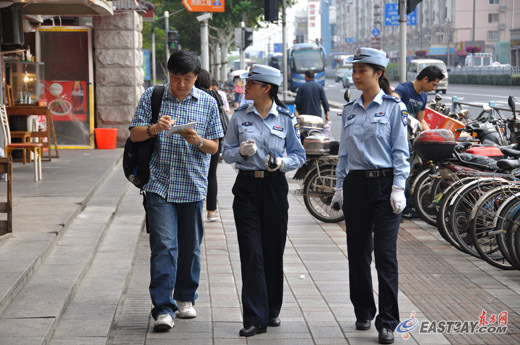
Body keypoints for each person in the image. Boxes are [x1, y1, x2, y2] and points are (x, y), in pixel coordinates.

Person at [129, 50, 224, 332]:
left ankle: (185, 297)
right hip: (159, 185)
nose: (180, 84)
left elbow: (215, 147)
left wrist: (197, 140)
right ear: (167, 74)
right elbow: (134, 134)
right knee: (163, 246)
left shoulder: (207, 102)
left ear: (196, 78)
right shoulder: (152, 97)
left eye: (187, 78)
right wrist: (154, 128)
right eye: (175, 77)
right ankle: (162, 308)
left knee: (190, 248)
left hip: (193, 185)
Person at [331, 47, 410, 345]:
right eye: (354, 70)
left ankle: (388, 321)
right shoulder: (350, 109)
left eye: (362, 70)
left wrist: (399, 187)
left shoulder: (393, 108)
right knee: (358, 252)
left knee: (386, 256)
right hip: (356, 186)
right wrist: (339, 187)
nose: (356, 76)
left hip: (385, 186)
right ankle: (363, 309)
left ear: (378, 73)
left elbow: (402, 152)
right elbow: (343, 154)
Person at [222, 64, 306, 337]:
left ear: (266, 88)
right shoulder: (239, 116)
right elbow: (226, 152)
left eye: (250, 83)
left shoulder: (285, 118)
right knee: (251, 251)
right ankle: (254, 317)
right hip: (246, 186)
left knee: (272, 250)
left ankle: (271, 309)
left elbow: (299, 155)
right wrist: (240, 153)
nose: (245, 86)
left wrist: (282, 163)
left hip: (273, 187)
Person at [195, 70, 224, 222]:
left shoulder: (197, 96)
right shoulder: (216, 96)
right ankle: (211, 211)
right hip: (215, 139)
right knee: (211, 174)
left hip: (196, 140)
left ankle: (195, 208)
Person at [394, 65, 445, 131]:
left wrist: (431, 135)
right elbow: (392, 102)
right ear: (425, 79)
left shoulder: (424, 96)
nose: (433, 88)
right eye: (433, 84)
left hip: (410, 134)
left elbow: (420, 120)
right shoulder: (404, 89)